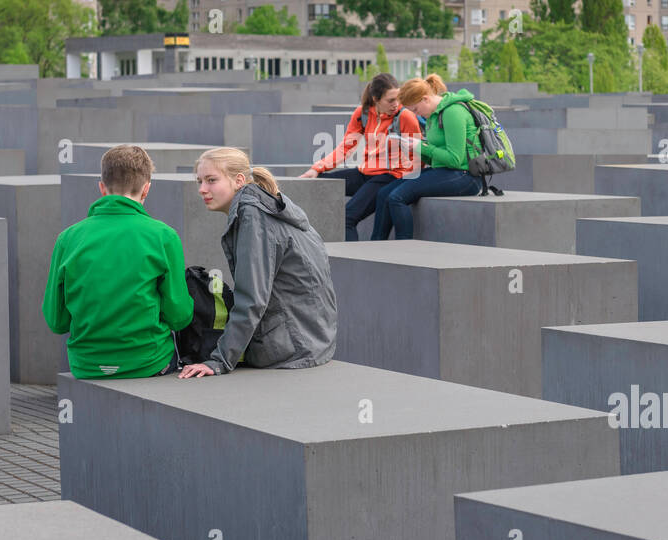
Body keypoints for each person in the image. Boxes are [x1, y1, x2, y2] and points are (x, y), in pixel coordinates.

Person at [181, 147, 337, 378]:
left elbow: (252, 298)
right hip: (314, 340)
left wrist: (220, 361)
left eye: (211, 180)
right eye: (200, 181)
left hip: (289, 348)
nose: (203, 189)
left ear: (239, 180)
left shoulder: (255, 217)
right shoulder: (266, 206)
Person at [42, 145, 193, 378]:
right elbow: (179, 316)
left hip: (86, 365)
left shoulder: (67, 238)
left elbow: (56, 321)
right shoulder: (164, 236)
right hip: (148, 362)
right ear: (146, 190)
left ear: (102, 188)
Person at [298, 72, 422, 240]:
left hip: (388, 176)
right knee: (319, 181)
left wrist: (403, 180)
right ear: (376, 99)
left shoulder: (405, 116)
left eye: (398, 98)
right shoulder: (363, 113)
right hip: (365, 173)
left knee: (346, 218)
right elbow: (346, 147)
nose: (396, 104)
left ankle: (354, 262)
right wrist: (317, 168)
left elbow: (419, 154)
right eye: (390, 100)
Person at [370, 74, 482, 240]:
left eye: (415, 109)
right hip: (445, 171)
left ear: (425, 99)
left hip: (466, 176)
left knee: (396, 198)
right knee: (384, 193)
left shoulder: (453, 112)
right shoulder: (433, 116)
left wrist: (420, 146)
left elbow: (455, 159)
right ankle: (375, 246)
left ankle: (405, 250)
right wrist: (414, 148)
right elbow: (436, 157)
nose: (416, 114)